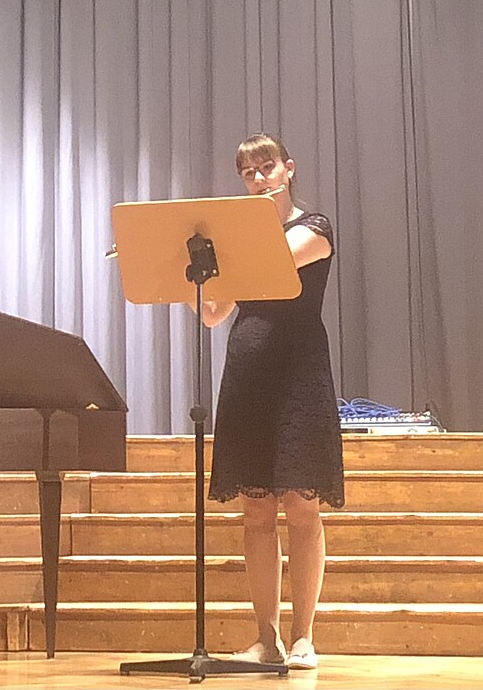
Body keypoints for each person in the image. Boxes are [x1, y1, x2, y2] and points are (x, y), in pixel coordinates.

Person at [202, 133, 343, 671]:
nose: (259, 179)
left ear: (289, 168)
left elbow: (272, 261)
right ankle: (267, 639)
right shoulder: (240, 245)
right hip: (250, 371)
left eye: (267, 168)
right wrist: (187, 270)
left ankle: (303, 637)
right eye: (248, 173)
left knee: (302, 508)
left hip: (299, 372)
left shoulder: (314, 227)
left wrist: (220, 255)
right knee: (256, 512)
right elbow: (213, 312)